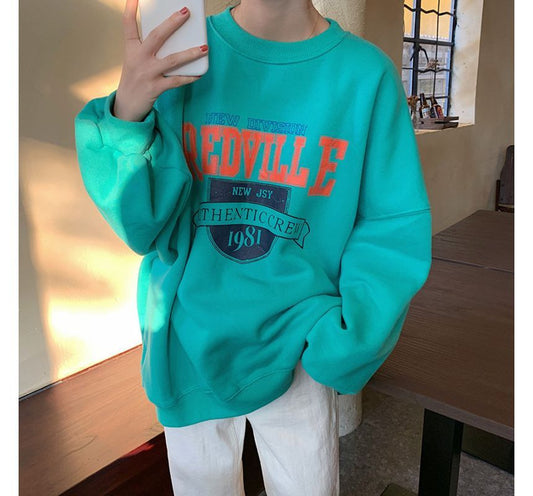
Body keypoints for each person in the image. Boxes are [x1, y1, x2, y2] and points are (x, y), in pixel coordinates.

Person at [74, 0, 432, 494]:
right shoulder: (181, 56)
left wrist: (350, 339)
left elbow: (389, 227)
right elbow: (143, 225)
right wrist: (128, 112)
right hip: (187, 342)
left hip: (300, 342)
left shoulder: (366, 76)